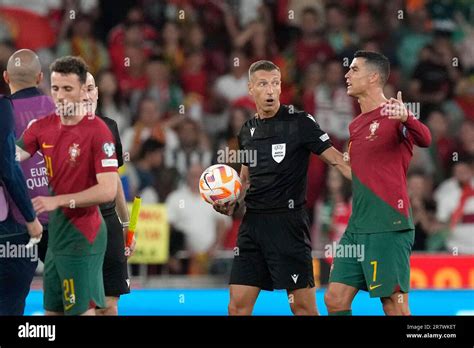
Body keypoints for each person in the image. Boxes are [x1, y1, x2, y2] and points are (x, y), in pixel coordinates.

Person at [214, 60, 351, 316]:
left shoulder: (299, 122)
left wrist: (371, 184)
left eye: (275, 83)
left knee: (302, 308)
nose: (270, 90)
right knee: (237, 306)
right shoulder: (247, 130)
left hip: (288, 225)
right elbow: (245, 180)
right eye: (263, 84)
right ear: (250, 88)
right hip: (253, 225)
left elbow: (335, 159)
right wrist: (232, 201)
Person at [324, 51, 432, 316]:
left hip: (388, 223)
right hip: (358, 225)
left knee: (393, 305)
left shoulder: (395, 115)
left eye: (354, 70)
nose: (346, 75)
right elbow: (358, 173)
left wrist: (407, 117)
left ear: (373, 77)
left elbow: (426, 139)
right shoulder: (356, 126)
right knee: (335, 300)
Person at [16, 56, 118, 316]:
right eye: (55, 88)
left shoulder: (98, 131)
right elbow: (10, 158)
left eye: (68, 89)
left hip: (83, 235)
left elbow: (107, 190)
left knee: (80, 311)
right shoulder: (41, 127)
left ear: (84, 89)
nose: (60, 96)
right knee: (53, 313)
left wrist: (59, 200)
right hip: (57, 236)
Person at [84, 72, 134, 315]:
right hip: (79, 225)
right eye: (83, 88)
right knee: (86, 304)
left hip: (109, 223)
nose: (88, 94)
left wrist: (125, 224)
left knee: (110, 304)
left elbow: (114, 178)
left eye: (92, 88)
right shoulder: (58, 130)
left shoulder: (110, 126)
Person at [3, 49, 56, 264]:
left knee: (12, 295)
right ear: (40, 77)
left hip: (17, 219)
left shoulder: (3, 112)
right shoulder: (60, 109)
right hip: (58, 216)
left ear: (6, 77)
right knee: (67, 288)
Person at [0, 96, 43, 315]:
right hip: (7, 230)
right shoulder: (2, 104)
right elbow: (8, 168)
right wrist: (30, 218)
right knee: (9, 303)